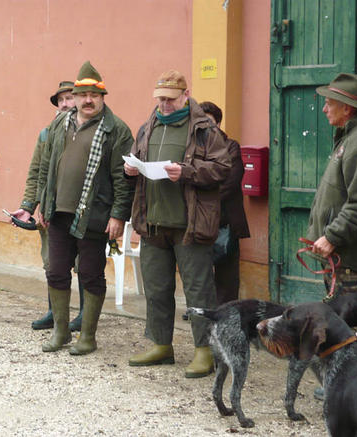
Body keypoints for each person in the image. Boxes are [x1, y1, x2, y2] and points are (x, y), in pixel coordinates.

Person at [125, 70, 230, 378]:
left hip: (190, 224)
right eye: (160, 98)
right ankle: (161, 344)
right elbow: (136, 158)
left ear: (186, 95)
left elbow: (223, 167)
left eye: (170, 99)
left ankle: (205, 351)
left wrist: (187, 172)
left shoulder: (204, 129)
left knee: (199, 291)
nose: (164, 104)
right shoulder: (148, 126)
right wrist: (131, 170)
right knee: (156, 287)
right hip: (153, 222)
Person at [38, 61, 135, 355]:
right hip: (58, 213)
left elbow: (123, 178)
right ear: (76, 97)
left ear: (102, 97)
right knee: (56, 271)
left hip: (95, 215)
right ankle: (61, 331)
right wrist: (42, 202)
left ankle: (88, 337)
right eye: (83, 95)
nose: (88, 100)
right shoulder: (60, 123)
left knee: (91, 274)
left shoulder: (116, 130)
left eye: (94, 95)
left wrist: (118, 215)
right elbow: (46, 165)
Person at [9, 81, 85, 331]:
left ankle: (85, 316)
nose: (65, 104)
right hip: (52, 211)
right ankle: (55, 312)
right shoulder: (46, 133)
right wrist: (28, 206)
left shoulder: (92, 131)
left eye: (69, 98)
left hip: (82, 209)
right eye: (60, 100)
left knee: (85, 264)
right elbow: (36, 172)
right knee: (52, 263)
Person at [310, 73, 357, 297]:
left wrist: (332, 237)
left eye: (329, 103)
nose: (324, 109)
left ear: (347, 108)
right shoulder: (352, 137)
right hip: (345, 261)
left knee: (351, 321)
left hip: (354, 266)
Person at [199, 101, 250, 305]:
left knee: (227, 275)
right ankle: (202, 308)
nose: (205, 126)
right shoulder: (193, 146)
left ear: (218, 124)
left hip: (226, 220)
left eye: (209, 121)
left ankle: (227, 311)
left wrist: (202, 199)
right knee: (199, 270)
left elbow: (231, 181)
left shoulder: (231, 146)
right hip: (199, 221)